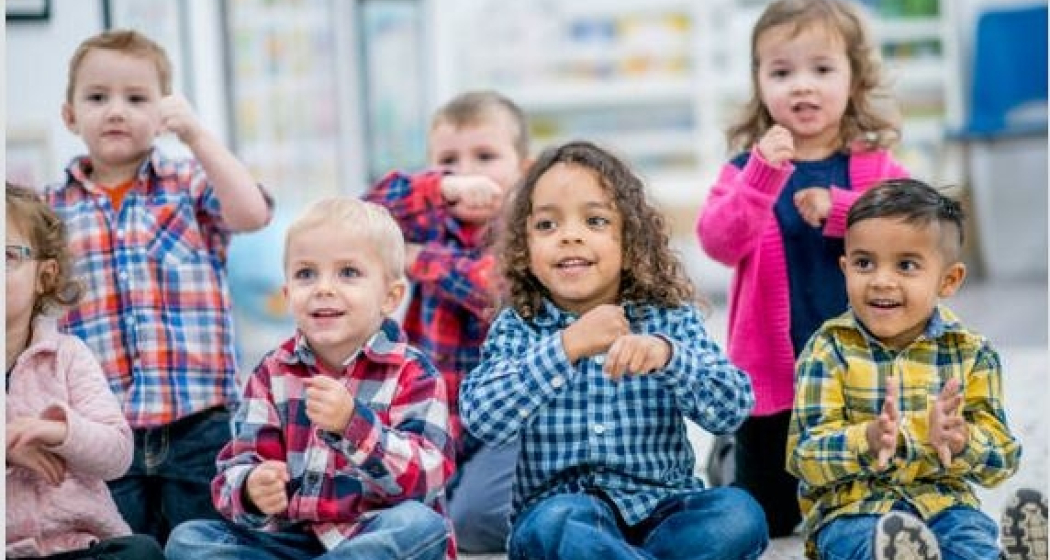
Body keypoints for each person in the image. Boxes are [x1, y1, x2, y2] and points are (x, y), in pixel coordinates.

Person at [460, 140, 770, 560]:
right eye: (548, 226)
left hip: (664, 510)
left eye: (595, 220)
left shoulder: (667, 319)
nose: (570, 236)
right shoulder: (520, 327)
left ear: (629, 242)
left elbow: (732, 407)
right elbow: (483, 419)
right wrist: (566, 347)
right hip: (566, 511)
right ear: (524, 249)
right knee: (553, 527)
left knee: (739, 514)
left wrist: (669, 357)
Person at [43, 29, 273, 545]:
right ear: (70, 115)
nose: (117, 110)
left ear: (164, 110)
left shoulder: (189, 182)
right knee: (125, 546)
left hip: (199, 421)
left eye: (137, 97)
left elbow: (252, 213)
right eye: (98, 97)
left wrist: (196, 135)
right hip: (105, 433)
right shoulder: (51, 210)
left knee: (209, 544)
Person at [695, 0, 910, 537]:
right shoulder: (747, 169)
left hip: (859, 374)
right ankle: (728, 459)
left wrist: (843, 210)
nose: (802, 86)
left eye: (821, 68)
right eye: (781, 71)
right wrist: (764, 177)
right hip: (774, 377)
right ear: (759, 82)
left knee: (867, 504)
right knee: (769, 516)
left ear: (854, 77)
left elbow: (915, 235)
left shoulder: (876, 167)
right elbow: (717, 241)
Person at [164, 197, 455, 560]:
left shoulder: (413, 373)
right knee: (189, 539)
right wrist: (252, 490)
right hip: (293, 542)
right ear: (288, 295)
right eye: (306, 274)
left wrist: (354, 425)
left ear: (390, 297)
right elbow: (234, 469)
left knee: (421, 525)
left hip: (372, 534)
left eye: (348, 272)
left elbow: (428, 478)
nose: (323, 288)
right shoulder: (272, 373)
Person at [785, 178, 1027, 560]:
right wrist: (866, 439)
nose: (881, 280)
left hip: (945, 505)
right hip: (854, 511)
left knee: (970, 542)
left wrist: (962, 440)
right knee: (864, 546)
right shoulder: (827, 350)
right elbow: (804, 458)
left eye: (906, 265)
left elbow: (1003, 460)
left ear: (948, 280)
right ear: (845, 268)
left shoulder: (971, 352)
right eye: (864, 263)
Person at [363, 89, 531, 552]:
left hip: (508, 421)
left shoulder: (531, 225)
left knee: (474, 519)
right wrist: (437, 190)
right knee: (398, 508)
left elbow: (494, 288)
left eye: (485, 156)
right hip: (437, 414)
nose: (468, 172)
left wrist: (416, 259)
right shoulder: (430, 218)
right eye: (449, 161)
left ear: (524, 167)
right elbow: (363, 214)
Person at [5, 183, 166, 560]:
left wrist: (61, 431)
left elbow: (118, 454)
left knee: (141, 551)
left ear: (45, 276)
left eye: (7, 255)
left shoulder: (70, 356)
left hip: (80, 545)